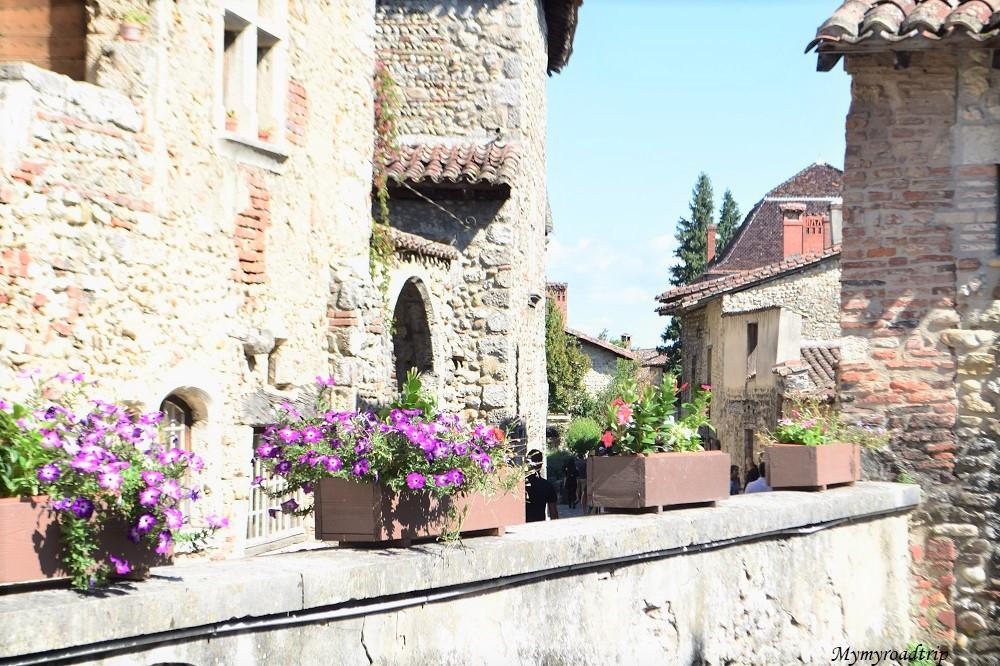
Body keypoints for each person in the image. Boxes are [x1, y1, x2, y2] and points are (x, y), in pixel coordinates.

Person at [525, 450, 559, 522]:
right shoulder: (547, 485)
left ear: (527, 463)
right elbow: (553, 513)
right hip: (539, 525)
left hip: (520, 527)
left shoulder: (519, 485)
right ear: (541, 464)